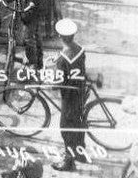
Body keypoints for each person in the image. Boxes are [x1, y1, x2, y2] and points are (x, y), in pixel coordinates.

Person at [52, 19, 87, 172]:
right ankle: (81, 153)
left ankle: (69, 161)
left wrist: (51, 81)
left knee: (66, 129)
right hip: (81, 92)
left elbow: (57, 82)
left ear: (60, 36)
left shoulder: (62, 58)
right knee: (79, 123)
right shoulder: (80, 50)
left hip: (69, 97)